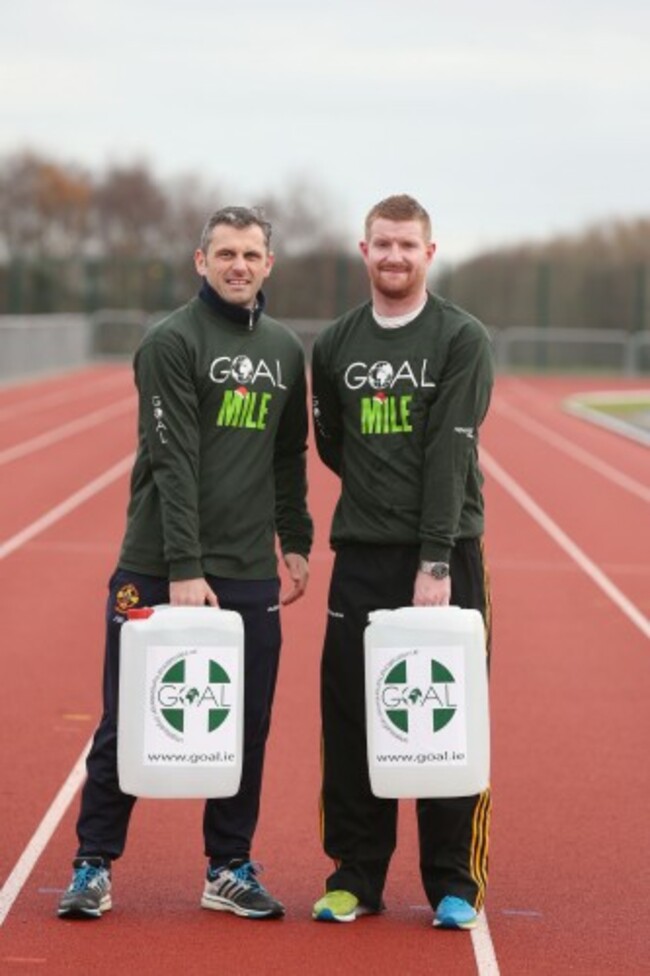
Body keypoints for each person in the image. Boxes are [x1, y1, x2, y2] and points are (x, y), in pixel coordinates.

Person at [58, 206, 313, 921]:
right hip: (158, 565)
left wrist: (294, 538)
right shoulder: (170, 340)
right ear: (200, 261)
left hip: (247, 571)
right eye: (225, 252)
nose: (239, 265)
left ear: (269, 265)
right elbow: (171, 460)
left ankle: (227, 864)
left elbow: (288, 455)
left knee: (245, 721)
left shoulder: (289, 351)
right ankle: (91, 865)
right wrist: (184, 567)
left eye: (251, 254)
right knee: (129, 717)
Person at [310, 194, 493, 930]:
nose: (393, 257)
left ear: (429, 253)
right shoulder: (335, 344)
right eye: (382, 244)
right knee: (352, 717)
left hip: (446, 557)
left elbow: (450, 453)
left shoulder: (460, 336)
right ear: (364, 250)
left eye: (406, 246)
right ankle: (355, 874)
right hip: (360, 554)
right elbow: (332, 444)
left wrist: (436, 560)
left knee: (446, 719)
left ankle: (455, 881)